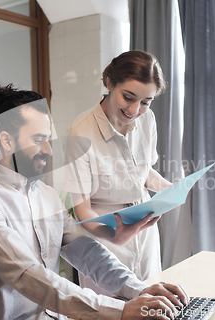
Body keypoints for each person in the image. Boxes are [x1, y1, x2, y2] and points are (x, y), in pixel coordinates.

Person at [0, 82, 188, 320]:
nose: (48, 150)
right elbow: (28, 276)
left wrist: (139, 288)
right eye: (38, 139)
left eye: (48, 139)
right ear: (6, 141)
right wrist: (122, 310)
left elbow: (87, 252)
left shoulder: (46, 196)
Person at [63, 50, 174, 295]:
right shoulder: (80, 133)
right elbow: (82, 209)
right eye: (129, 97)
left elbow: (143, 173)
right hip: (104, 242)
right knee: (112, 311)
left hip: (145, 239)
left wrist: (169, 189)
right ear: (110, 83)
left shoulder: (148, 120)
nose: (135, 109)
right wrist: (113, 236)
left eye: (146, 102)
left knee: (154, 305)